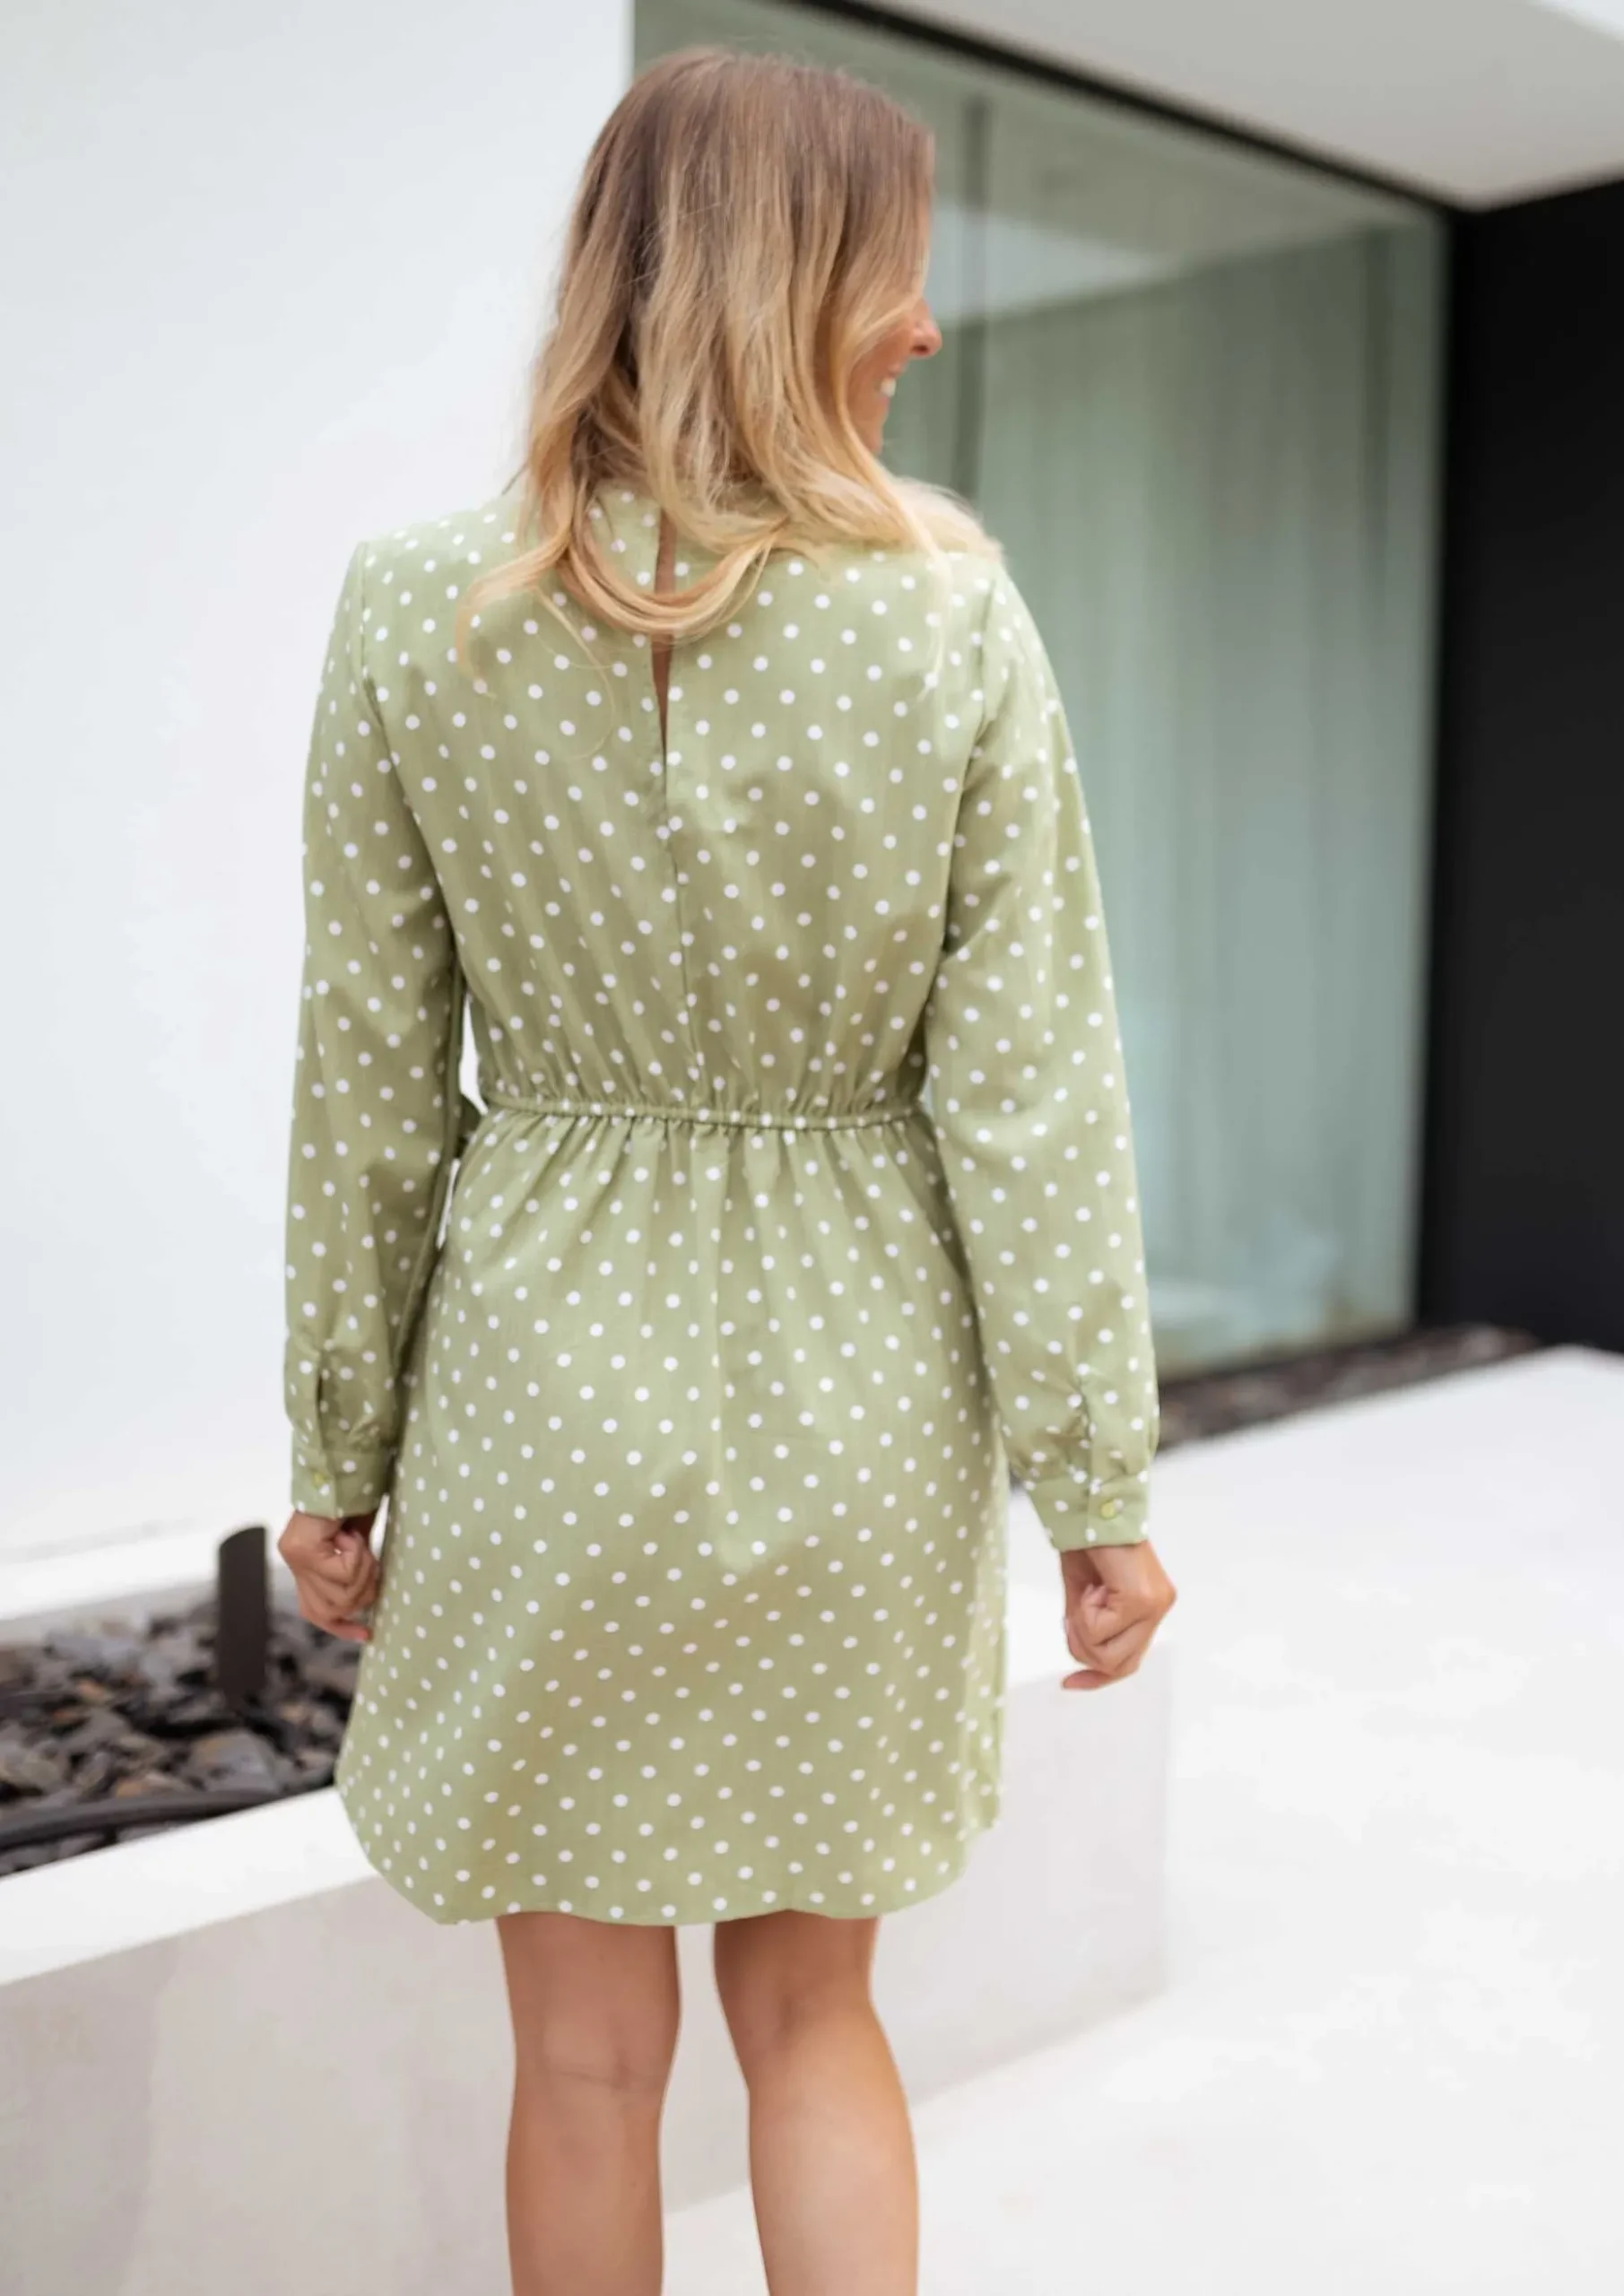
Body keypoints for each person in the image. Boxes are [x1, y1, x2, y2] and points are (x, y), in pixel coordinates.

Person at [276, 42, 1175, 2296]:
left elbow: (368, 1078)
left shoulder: (415, 609)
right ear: (792, 287)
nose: (925, 327)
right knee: (814, 2021)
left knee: (583, 2061)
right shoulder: (946, 615)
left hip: (539, 1402)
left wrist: (337, 1447)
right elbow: (1030, 1092)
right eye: (896, 275)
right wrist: (1093, 1480)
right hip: (854, 1397)